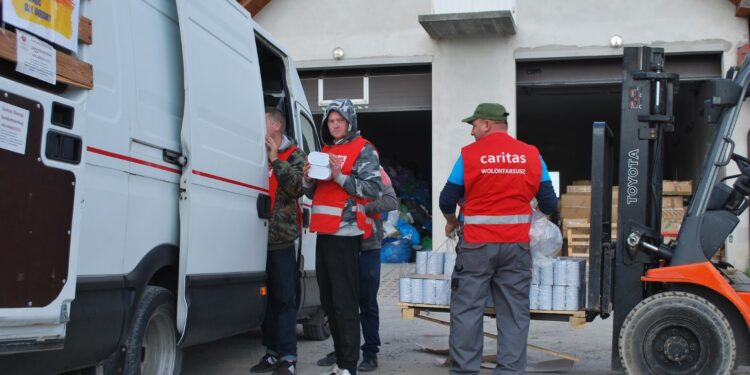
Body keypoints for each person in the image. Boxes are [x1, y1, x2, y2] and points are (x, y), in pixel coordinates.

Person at [439, 103, 557, 375]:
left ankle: (465, 371)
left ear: (487, 124)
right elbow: (549, 202)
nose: (471, 132)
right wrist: (533, 219)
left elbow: (447, 199)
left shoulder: (470, 156)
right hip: (516, 247)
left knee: (468, 311)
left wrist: (451, 222)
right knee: (514, 314)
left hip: (476, 246)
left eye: (474, 125)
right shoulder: (531, 154)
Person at [303, 99, 382, 375]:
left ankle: (349, 366)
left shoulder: (364, 149)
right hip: (324, 233)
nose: (335, 126)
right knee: (328, 302)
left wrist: (338, 176)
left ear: (350, 123)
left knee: (345, 302)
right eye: (331, 121)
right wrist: (309, 180)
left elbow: (372, 189)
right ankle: (341, 360)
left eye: (340, 121)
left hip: (346, 233)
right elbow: (314, 194)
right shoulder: (325, 150)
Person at [316, 168, 398, 372]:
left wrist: (357, 208)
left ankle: (370, 353)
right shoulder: (335, 168)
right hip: (339, 244)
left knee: (367, 301)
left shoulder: (374, 169)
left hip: (367, 245)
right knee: (339, 301)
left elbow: (390, 201)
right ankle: (342, 351)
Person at [250, 108, 306, 375]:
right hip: (254, 237)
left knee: (284, 299)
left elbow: (298, 187)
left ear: (275, 126)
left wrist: (275, 160)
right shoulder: (252, 150)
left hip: (281, 239)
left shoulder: (295, 155)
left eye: (261, 122)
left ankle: (288, 357)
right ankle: (271, 353)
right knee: (267, 301)